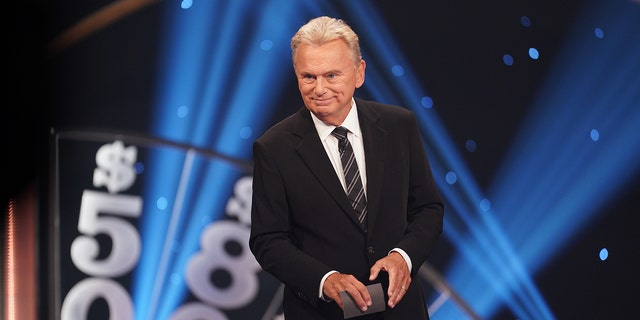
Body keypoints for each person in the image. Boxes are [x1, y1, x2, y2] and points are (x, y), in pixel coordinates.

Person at [249, 16, 444, 319]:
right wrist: (324, 280)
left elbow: (428, 208)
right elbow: (268, 240)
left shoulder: (398, 125)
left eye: (331, 75)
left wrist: (403, 257)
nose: (320, 88)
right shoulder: (274, 148)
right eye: (308, 77)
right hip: (323, 313)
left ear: (359, 73)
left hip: (400, 310)